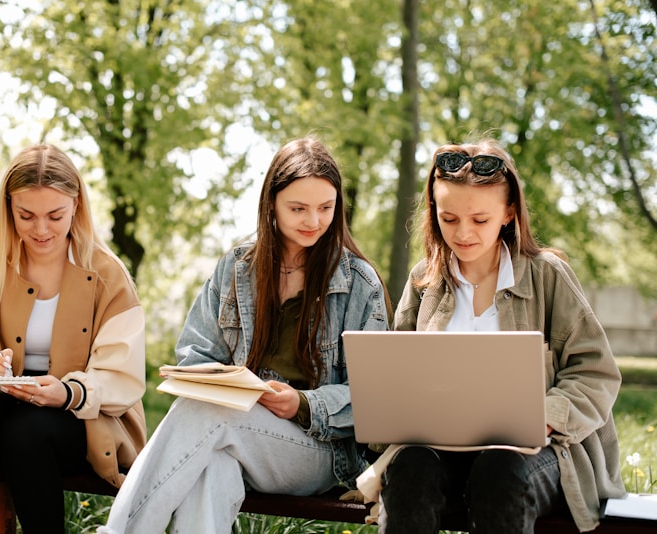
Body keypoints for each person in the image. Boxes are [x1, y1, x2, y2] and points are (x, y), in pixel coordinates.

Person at [98, 136, 391, 533]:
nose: (313, 221)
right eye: (298, 208)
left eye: (325, 208)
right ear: (271, 203)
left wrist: (303, 403)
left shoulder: (359, 282)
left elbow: (375, 396)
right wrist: (226, 383)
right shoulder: (236, 269)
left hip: (320, 453)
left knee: (210, 413)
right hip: (234, 435)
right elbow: (195, 354)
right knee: (213, 467)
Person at [358, 139, 626, 533]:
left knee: (499, 470)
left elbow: (595, 373)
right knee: (410, 466)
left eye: (480, 220)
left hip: (534, 456)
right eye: (449, 219)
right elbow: (397, 376)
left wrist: (544, 418)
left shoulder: (547, 275)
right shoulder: (424, 280)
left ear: (509, 212)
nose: (463, 233)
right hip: (441, 452)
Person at [0, 143, 148, 533]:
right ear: (8, 208)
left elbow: (123, 375)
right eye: (26, 215)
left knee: (26, 431)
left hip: (81, 417)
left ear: (76, 206)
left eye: (55, 215)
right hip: (2, 408)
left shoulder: (107, 274)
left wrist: (65, 393)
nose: (41, 229)